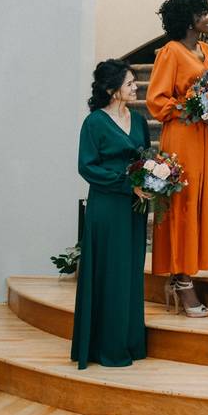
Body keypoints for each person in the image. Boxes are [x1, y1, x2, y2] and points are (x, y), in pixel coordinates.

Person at [72, 60, 151, 369]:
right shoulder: (94, 123)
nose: (136, 87)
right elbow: (87, 166)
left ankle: (129, 342)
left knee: (130, 272)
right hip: (106, 207)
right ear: (111, 89)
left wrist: (153, 179)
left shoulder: (140, 121)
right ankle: (105, 347)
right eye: (130, 83)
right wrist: (126, 184)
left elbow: (145, 158)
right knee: (109, 271)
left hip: (134, 208)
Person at [146, 0, 208, 317]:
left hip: (206, 136)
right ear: (190, 18)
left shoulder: (206, 49)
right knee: (184, 204)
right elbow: (157, 101)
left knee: (203, 201)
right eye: (204, 12)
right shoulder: (170, 53)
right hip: (182, 135)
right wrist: (190, 106)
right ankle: (181, 278)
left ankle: (190, 265)